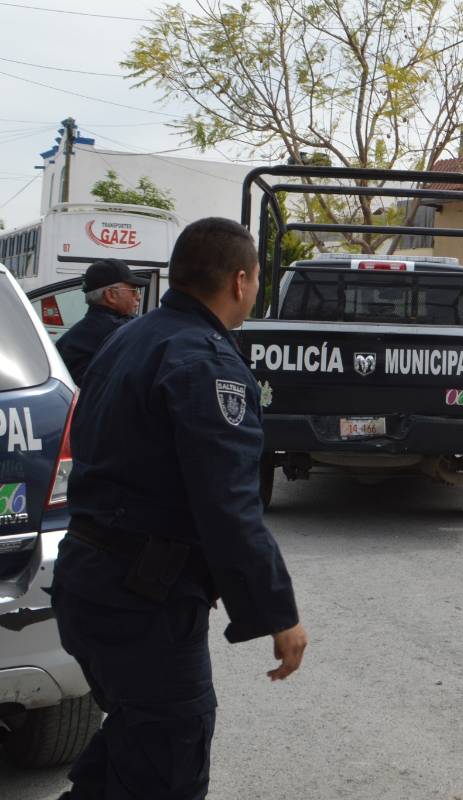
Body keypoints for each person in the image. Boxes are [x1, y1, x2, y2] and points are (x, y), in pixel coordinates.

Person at [51, 218, 308, 799]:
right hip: (141, 604)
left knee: (135, 746)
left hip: (88, 587)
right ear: (240, 281)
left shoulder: (130, 337)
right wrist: (279, 613)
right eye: (258, 278)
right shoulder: (205, 361)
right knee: (167, 768)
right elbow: (229, 506)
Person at [55, 258, 149, 385]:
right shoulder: (121, 331)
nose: (139, 296)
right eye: (134, 291)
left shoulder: (78, 333)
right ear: (111, 295)